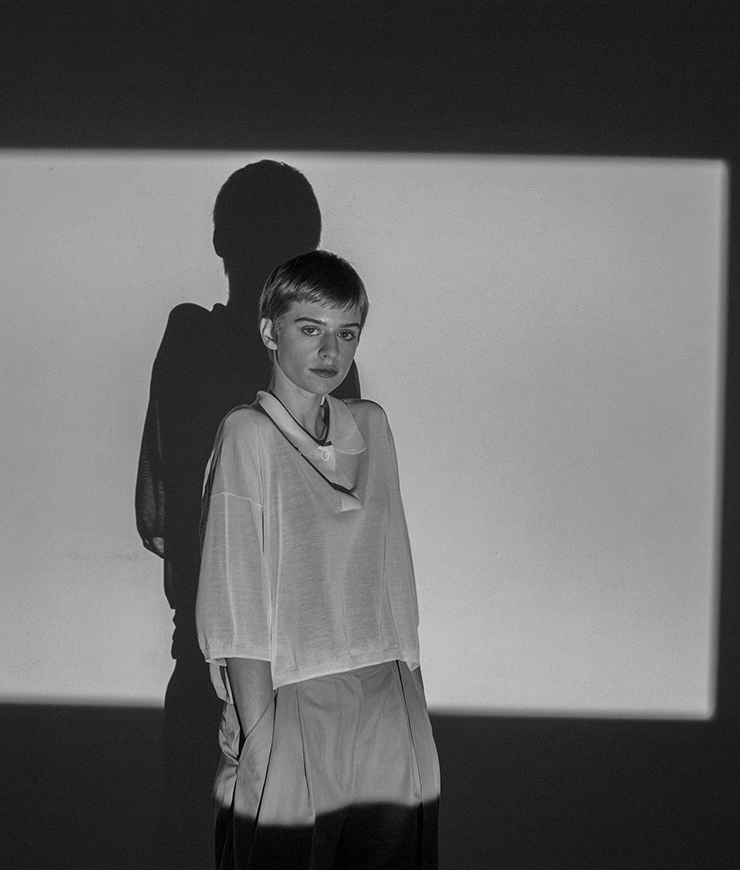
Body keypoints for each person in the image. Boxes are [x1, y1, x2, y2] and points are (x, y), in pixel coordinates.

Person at [137, 161, 359, 869]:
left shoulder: (191, 341)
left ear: (219, 240)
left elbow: (168, 507)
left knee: (200, 828)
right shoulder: (317, 361)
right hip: (287, 655)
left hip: (222, 648)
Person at [196, 250, 439, 869]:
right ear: (270, 331)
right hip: (293, 699)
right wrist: (259, 737)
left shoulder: (372, 427)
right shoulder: (248, 434)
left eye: (347, 333)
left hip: (387, 696)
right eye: (311, 329)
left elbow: (396, 573)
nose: (331, 351)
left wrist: (414, 701)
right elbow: (236, 601)